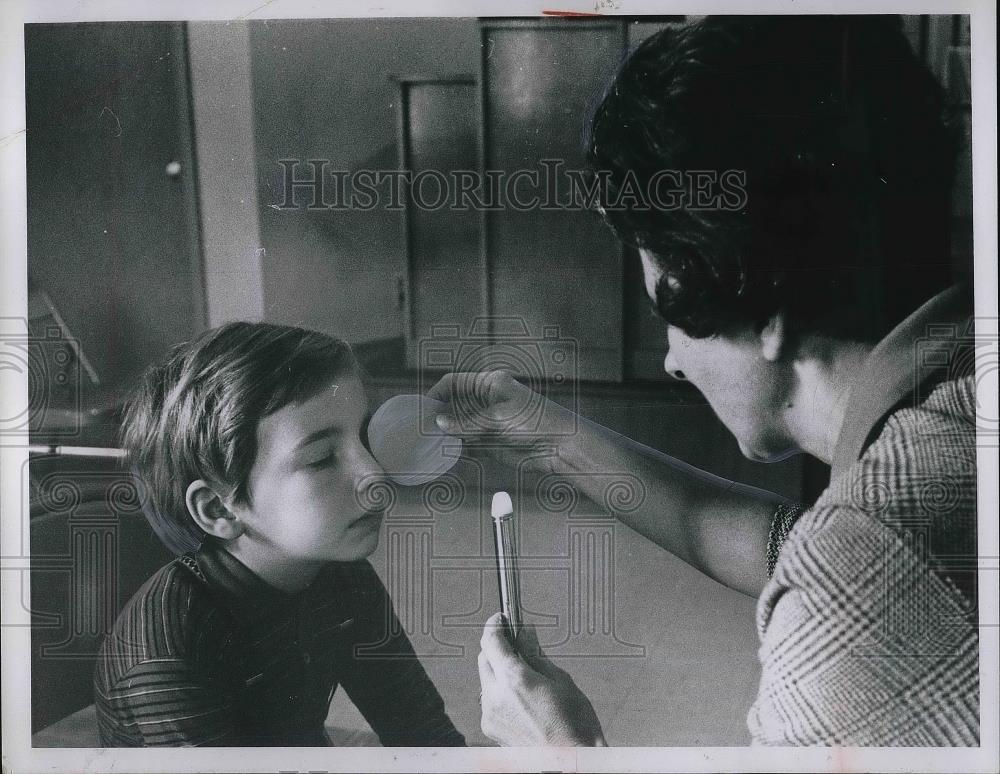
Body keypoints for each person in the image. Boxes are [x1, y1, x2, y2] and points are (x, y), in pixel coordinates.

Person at [433, 16, 979, 746]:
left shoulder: (863, 590)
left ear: (765, 307)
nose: (673, 359)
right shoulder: (956, 406)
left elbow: (849, 566)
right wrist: (543, 433)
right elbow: (797, 544)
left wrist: (562, 755)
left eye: (671, 307)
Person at [94, 322, 465, 746]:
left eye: (364, 436)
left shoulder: (342, 575)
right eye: (323, 458)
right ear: (218, 509)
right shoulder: (170, 649)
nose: (374, 473)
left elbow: (424, 736)